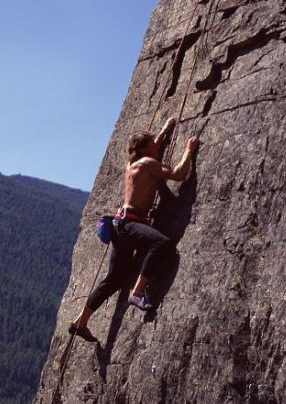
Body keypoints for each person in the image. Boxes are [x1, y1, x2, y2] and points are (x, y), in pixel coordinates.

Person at [69, 117, 198, 342]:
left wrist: (166, 129)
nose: (157, 147)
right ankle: (137, 292)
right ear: (146, 148)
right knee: (162, 244)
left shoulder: (132, 164)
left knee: (115, 278)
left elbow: (154, 145)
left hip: (120, 225)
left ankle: (81, 321)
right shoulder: (148, 164)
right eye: (153, 144)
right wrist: (189, 151)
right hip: (130, 225)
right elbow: (178, 174)